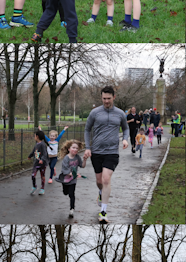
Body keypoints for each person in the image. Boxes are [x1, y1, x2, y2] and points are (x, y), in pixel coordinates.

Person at [83, 86, 130, 224]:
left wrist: (126, 139)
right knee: (99, 182)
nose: (106, 101)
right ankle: (100, 193)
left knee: (105, 179)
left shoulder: (120, 113)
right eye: (104, 98)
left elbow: (126, 128)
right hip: (97, 151)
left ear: (114, 97)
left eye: (109, 98)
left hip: (112, 152)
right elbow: (87, 130)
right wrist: (87, 147)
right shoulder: (95, 113)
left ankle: (103, 212)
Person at [54, 138, 85, 218]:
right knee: (65, 192)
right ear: (69, 149)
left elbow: (82, 166)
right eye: (73, 147)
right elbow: (65, 170)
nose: (75, 149)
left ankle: (72, 210)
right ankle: (65, 191)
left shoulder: (77, 157)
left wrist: (85, 159)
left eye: (77, 148)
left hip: (73, 181)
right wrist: (73, 174)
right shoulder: (66, 158)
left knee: (72, 194)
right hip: (65, 179)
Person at [28, 130, 49, 195]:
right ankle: (34, 186)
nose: (34, 137)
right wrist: (30, 156)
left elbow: (45, 154)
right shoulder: (37, 144)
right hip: (36, 163)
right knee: (33, 175)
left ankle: (42, 189)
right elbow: (34, 151)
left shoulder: (42, 144)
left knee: (42, 176)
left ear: (37, 136)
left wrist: (42, 160)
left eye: (34, 135)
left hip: (42, 164)